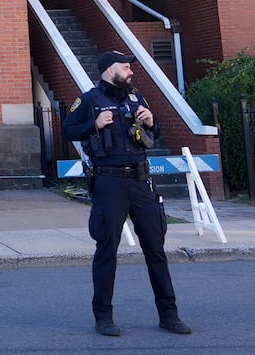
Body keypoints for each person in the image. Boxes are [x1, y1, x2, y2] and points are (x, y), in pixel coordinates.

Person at [61, 51, 191, 337]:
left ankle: (169, 314)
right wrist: (93, 125)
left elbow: (153, 134)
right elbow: (67, 130)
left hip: (141, 181)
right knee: (107, 249)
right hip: (109, 183)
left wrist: (151, 121)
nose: (130, 71)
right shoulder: (90, 100)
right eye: (125, 67)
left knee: (155, 248)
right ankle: (103, 317)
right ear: (110, 70)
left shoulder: (136, 98)